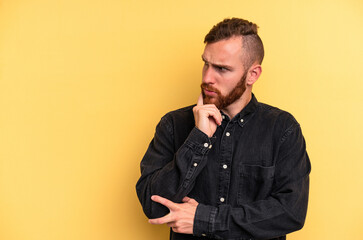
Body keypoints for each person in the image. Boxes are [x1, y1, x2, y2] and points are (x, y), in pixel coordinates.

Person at [136, 18, 311, 240]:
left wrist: (205, 219)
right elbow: (153, 206)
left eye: (222, 68)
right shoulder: (174, 124)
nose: (207, 78)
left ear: (252, 74)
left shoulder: (283, 129)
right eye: (206, 64)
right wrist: (198, 140)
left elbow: (291, 212)